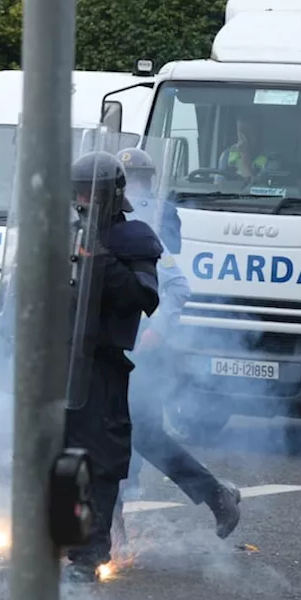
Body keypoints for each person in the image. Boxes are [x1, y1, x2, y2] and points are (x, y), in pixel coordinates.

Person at [113, 147, 241, 539]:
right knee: (109, 436)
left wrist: (157, 330)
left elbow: (176, 286)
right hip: (103, 349)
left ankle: (109, 533)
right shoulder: (86, 230)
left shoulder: (144, 230)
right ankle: (107, 531)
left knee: (134, 435)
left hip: (142, 352)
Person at [63, 151, 163, 583]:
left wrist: (99, 258)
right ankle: (64, 540)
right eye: (78, 192)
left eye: (91, 193)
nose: (83, 200)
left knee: (100, 460)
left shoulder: (133, 240)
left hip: (101, 367)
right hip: (58, 363)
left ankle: (90, 555)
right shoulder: (65, 234)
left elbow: (144, 299)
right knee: (61, 456)